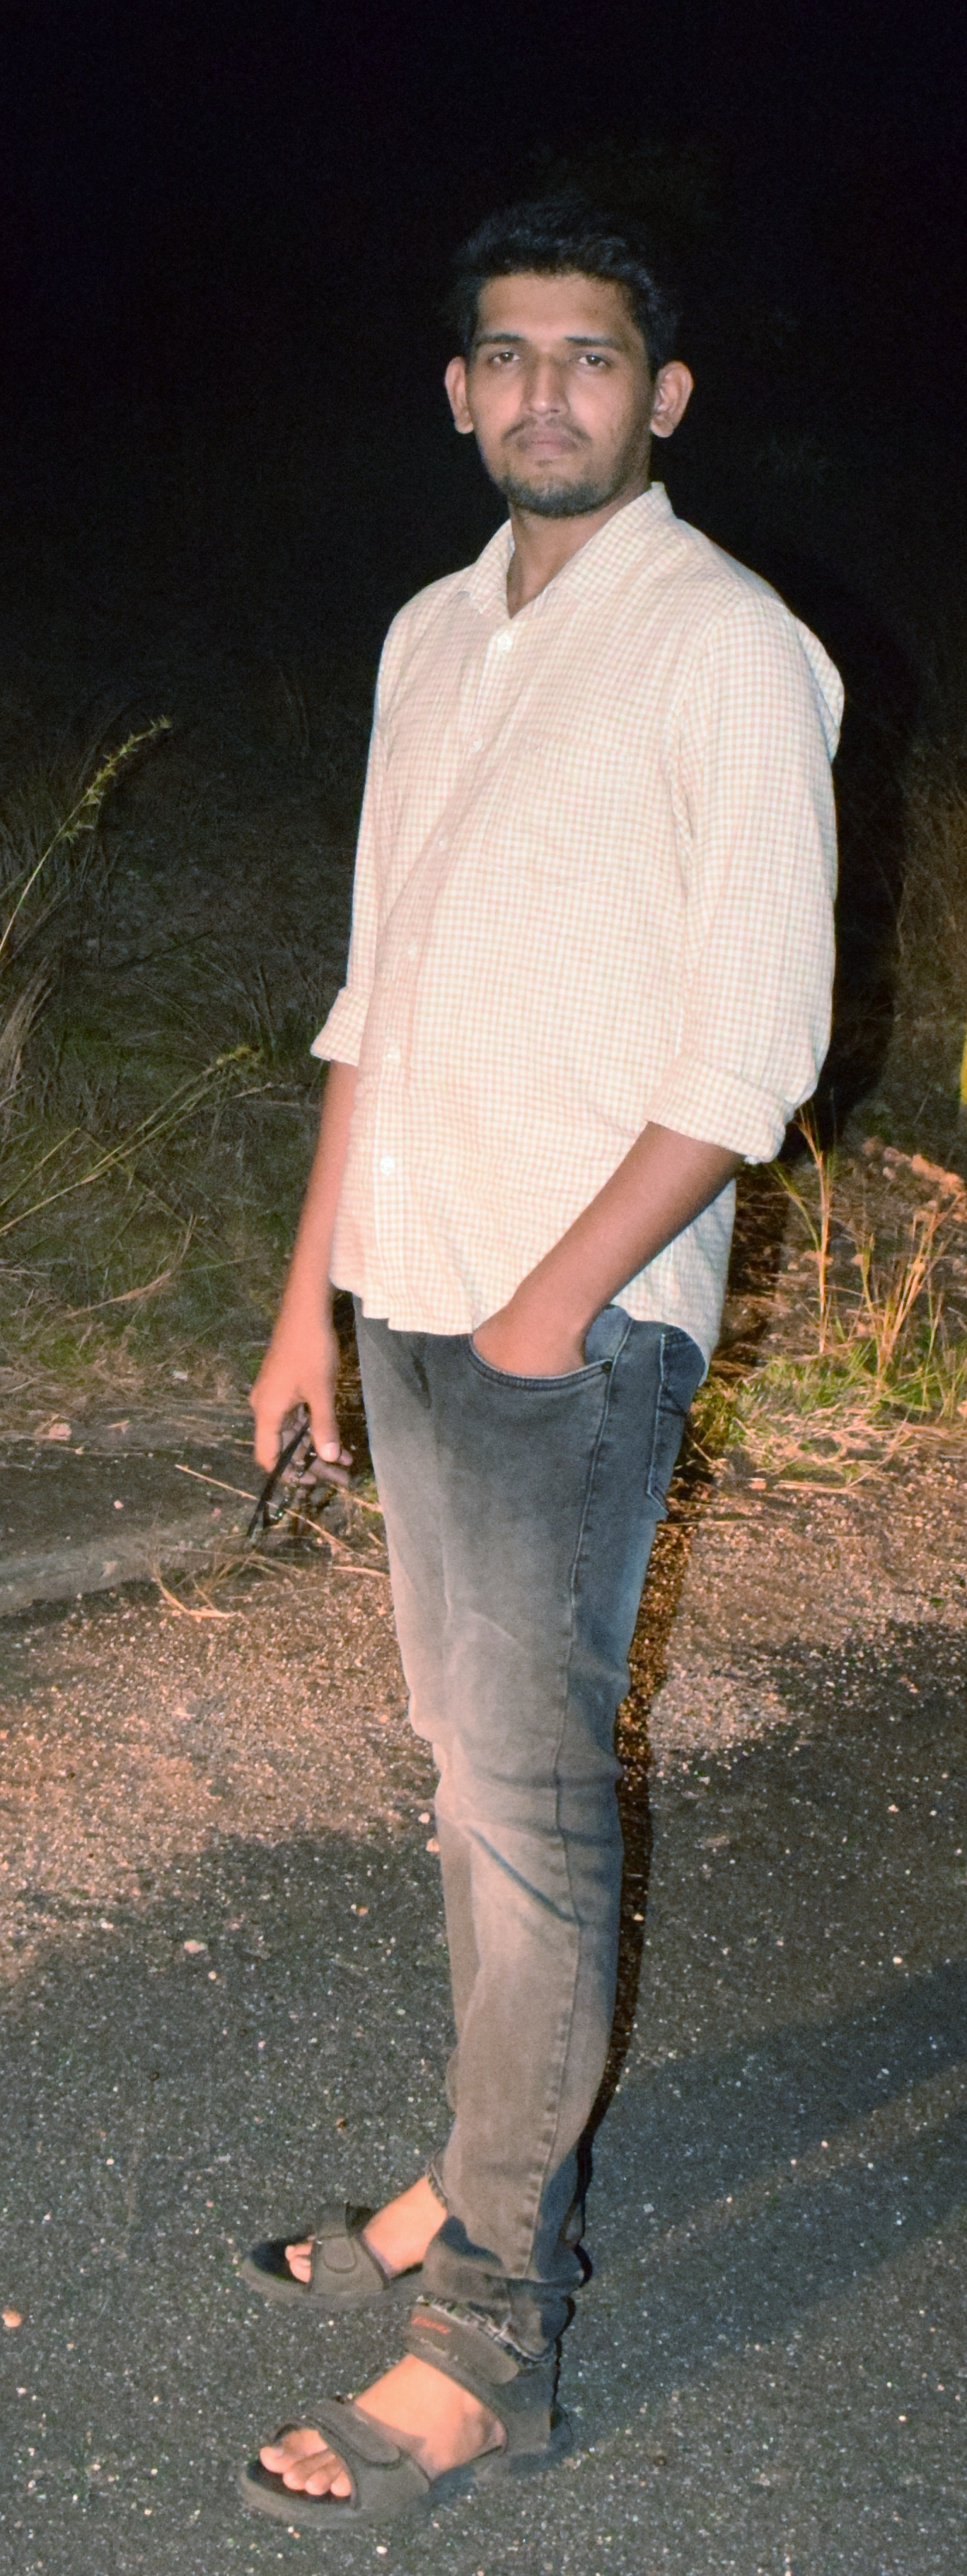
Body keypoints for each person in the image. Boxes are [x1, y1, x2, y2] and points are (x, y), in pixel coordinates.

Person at [239, 192, 842, 2535]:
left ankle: (492, 2335)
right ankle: (468, 2165)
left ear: (661, 396)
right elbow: (374, 992)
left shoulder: (730, 645)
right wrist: (311, 1291)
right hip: (409, 1293)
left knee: (522, 1809)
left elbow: (752, 1052)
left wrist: (548, 1303)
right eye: (508, 353)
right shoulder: (431, 634)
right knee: (471, 1776)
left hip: (557, 1333)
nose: (546, 390)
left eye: (591, 355)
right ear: (460, 391)